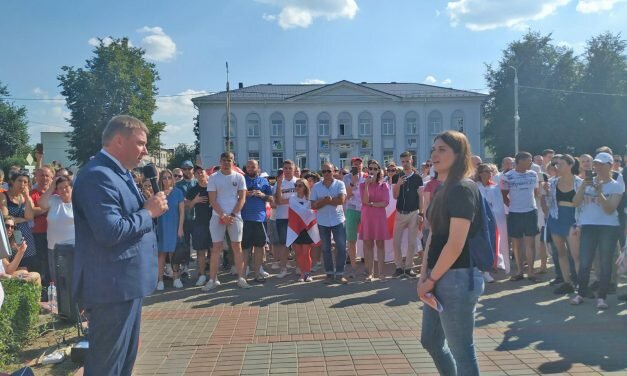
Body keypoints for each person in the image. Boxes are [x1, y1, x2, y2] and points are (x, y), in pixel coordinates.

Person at [72, 115, 168, 375]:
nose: (145, 151)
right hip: (111, 287)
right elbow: (109, 231)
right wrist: (148, 213)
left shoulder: (119, 173)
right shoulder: (97, 176)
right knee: (107, 366)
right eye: (140, 144)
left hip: (125, 284)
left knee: (123, 363)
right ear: (118, 141)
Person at [418, 130, 484, 376]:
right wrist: (424, 275)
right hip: (438, 276)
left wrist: (431, 279)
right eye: (433, 149)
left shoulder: (462, 189)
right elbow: (433, 236)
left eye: (442, 149)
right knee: (431, 341)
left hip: (458, 278)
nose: (435, 154)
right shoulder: (440, 189)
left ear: (459, 155)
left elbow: (456, 244)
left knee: (462, 351)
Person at [571, 152, 624, 309]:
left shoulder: (616, 185)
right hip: (588, 226)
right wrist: (583, 186)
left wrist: (599, 192)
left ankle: (602, 297)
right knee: (585, 262)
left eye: (601, 164)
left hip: (608, 227)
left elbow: (609, 209)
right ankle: (580, 293)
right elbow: (575, 203)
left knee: (605, 262)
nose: (597, 167)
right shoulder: (587, 182)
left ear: (609, 165)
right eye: (596, 164)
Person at [204, 152, 249, 291]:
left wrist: (233, 214)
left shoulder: (240, 177)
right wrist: (223, 215)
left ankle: (241, 279)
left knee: (237, 247)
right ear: (220, 161)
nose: (226, 163)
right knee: (216, 248)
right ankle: (212, 280)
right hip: (218, 216)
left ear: (233, 161)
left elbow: (242, 198)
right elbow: (212, 200)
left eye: (229, 160)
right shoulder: (213, 177)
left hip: (235, 216)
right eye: (224, 160)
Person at [544, 155, 582, 294]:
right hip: (556, 218)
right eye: (556, 165)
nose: (556, 167)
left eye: (560, 164)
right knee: (560, 253)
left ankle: (581, 284)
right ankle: (567, 283)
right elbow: (549, 201)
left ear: (570, 165)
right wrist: (546, 191)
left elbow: (583, 205)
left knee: (576, 255)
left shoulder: (579, 182)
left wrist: (580, 224)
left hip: (573, 220)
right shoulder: (553, 182)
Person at [501, 152, 540, 282]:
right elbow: (503, 194)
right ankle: (519, 271)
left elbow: (535, 191)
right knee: (517, 244)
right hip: (515, 213)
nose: (530, 163)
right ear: (520, 161)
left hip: (530, 211)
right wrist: (513, 205)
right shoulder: (507, 176)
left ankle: (531, 272)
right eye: (528, 160)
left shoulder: (533, 174)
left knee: (531, 243)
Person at [311, 162, 348, 284]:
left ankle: (340, 274)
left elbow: (341, 200)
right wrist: (326, 201)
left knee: (341, 247)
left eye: (329, 171)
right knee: (326, 249)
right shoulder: (316, 186)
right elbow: (313, 205)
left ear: (334, 171)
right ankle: (329, 274)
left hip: (338, 220)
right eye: (324, 171)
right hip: (323, 222)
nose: (326, 173)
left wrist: (325, 201)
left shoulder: (340, 183)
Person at [391, 151, 423, 278]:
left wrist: (422, 213)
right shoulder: (396, 177)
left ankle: (409, 268)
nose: (405, 164)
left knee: (411, 243)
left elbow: (421, 197)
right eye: (403, 161)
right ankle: (399, 267)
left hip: (413, 213)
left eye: (407, 161)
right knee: (396, 242)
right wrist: (398, 184)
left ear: (412, 161)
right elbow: (395, 195)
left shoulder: (417, 178)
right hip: (400, 213)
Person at [38, 176, 75, 285]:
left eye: (66, 187)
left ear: (72, 187)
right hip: (53, 248)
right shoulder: (54, 199)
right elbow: (41, 203)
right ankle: (60, 302)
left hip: (72, 248)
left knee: (72, 280)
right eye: (60, 187)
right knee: (57, 280)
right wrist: (52, 185)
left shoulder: (78, 202)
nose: (63, 190)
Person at [475, 163, 509, 280]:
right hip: (478, 221)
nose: (489, 174)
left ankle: (488, 269)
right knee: (480, 245)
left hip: (492, 220)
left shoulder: (495, 187)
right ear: (480, 173)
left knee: (492, 244)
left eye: (490, 171)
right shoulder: (475, 187)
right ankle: (479, 269)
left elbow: (499, 204)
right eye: (486, 171)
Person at [241, 160, 273, 283]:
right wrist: (246, 194)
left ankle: (257, 274)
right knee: (245, 248)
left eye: (252, 167)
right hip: (245, 218)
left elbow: (271, 198)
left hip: (260, 219)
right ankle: (243, 275)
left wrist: (262, 195)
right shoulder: (241, 180)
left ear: (257, 168)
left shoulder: (264, 181)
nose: (250, 168)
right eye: (248, 166)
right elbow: (236, 196)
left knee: (259, 247)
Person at [359, 160, 390, 281]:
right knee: (368, 244)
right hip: (367, 217)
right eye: (370, 168)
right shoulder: (362, 185)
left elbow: (385, 203)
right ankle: (369, 273)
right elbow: (365, 201)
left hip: (379, 218)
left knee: (380, 244)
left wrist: (372, 204)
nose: (372, 171)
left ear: (378, 171)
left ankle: (381, 272)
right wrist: (367, 185)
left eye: (375, 169)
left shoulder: (384, 185)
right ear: (367, 170)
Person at [156, 169, 185, 290]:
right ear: (161, 180)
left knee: (175, 254)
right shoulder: (157, 193)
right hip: (161, 226)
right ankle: (160, 280)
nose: (167, 180)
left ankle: (176, 278)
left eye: (169, 177)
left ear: (172, 179)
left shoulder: (178, 192)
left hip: (174, 226)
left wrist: (180, 228)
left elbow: (182, 212)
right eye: (164, 177)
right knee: (161, 254)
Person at [185, 166, 212, 287]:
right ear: (195, 175)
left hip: (214, 222)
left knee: (214, 250)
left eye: (202, 172)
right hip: (199, 223)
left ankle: (213, 276)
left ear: (206, 174)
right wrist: (194, 201)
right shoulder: (193, 190)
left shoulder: (213, 187)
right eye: (198, 173)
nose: (200, 174)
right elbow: (188, 206)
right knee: (201, 251)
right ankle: (201, 275)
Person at [4, 172, 37, 271]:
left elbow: (30, 216)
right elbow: (6, 217)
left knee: (27, 264)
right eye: (19, 180)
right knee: (13, 264)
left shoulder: (24, 197)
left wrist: (27, 197)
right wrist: (22, 219)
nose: (22, 184)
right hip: (11, 235)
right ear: (12, 182)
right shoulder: (4, 196)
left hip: (24, 234)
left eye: (25, 182)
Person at [287, 178, 319, 282]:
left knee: (306, 253)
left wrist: (308, 212)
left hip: (307, 228)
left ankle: (307, 273)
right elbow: (303, 211)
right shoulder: (292, 198)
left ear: (305, 187)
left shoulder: (310, 199)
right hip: (295, 228)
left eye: (300, 185)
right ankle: (302, 273)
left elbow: (313, 211)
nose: (297, 187)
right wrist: (308, 212)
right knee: (299, 253)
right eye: (296, 185)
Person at [273, 160, 298, 278]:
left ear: (294, 170)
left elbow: (301, 200)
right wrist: (278, 186)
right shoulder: (278, 183)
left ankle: (299, 267)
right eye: (285, 168)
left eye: (290, 168)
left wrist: (286, 201)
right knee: (284, 244)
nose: (287, 170)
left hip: (296, 217)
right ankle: (283, 269)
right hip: (282, 217)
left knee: (297, 244)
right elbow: (277, 201)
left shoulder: (298, 182)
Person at [30, 166, 54, 286]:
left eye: (47, 175)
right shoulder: (32, 194)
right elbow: (31, 211)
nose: (44, 178)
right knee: (42, 260)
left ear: (52, 177)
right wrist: (49, 208)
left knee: (54, 261)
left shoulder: (57, 192)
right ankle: (44, 287)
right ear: (36, 177)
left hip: (55, 233)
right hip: (39, 232)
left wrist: (40, 209)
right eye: (42, 175)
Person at [1, 215, 42, 285]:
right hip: (4, 276)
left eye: (12, 227)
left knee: (27, 273)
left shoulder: (11, 241)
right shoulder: (1, 244)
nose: (10, 229)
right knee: (35, 275)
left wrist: (20, 251)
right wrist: (21, 252)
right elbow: (8, 271)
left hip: (9, 272)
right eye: (7, 226)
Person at [343, 157, 366, 278]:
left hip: (365, 210)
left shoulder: (367, 177)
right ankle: (353, 267)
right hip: (351, 210)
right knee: (351, 240)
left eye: (359, 164)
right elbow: (348, 194)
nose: (357, 166)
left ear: (362, 165)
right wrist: (353, 181)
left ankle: (368, 266)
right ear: (351, 165)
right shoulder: (346, 177)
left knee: (367, 238)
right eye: (355, 164)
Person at [176, 160, 197, 276]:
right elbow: (182, 203)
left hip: (198, 218)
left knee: (200, 244)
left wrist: (190, 202)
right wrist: (194, 201)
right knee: (184, 244)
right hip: (184, 219)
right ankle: (185, 268)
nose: (187, 171)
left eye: (189, 168)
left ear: (193, 169)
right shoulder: (178, 185)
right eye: (185, 169)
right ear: (182, 170)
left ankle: (203, 268)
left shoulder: (198, 183)